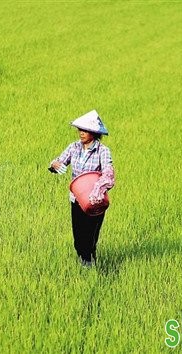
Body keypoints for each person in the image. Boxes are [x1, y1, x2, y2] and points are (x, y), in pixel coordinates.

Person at [49, 110, 115, 267]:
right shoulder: (74, 147)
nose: (81, 133)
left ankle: (89, 259)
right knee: (78, 234)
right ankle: (84, 258)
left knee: (91, 233)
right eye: (80, 130)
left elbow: (108, 171)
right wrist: (54, 165)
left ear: (94, 133)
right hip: (76, 198)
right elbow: (59, 161)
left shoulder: (103, 151)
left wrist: (100, 187)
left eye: (85, 130)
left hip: (95, 199)